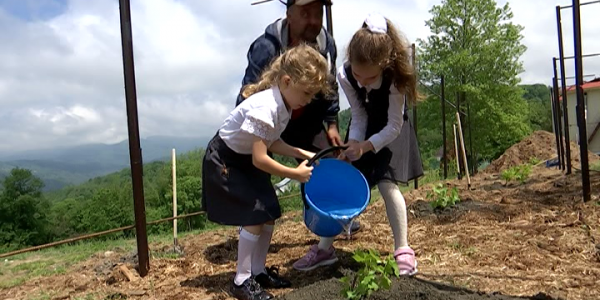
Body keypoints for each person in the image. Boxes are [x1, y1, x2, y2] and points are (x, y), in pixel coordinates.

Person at [293, 13, 424, 275]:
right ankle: (325, 249)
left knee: (388, 184)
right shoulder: (344, 75)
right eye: (358, 75)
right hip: (366, 128)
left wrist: (366, 146)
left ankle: (403, 250)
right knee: (346, 180)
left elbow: (394, 125)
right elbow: (360, 113)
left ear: (384, 66)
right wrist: (354, 144)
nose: (362, 82)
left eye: (369, 78)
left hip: (392, 130)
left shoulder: (395, 79)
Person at [202, 44, 331, 300]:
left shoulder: (285, 104)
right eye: (306, 92)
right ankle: (241, 280)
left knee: (269, 212)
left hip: (246, 158)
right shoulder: (266, 108)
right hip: (228, 159)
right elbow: (261, 158)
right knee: (254, 213)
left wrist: (300, 153)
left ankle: (257, 271)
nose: (307, 100)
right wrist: (295, 174)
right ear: (286, 80)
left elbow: (270, 141)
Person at [237, 0, 361, 250]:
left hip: (308, 119)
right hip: (271, 120)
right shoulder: (267, 47)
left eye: (318, 14)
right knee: (257, 172)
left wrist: (332, 124)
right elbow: (248, 94)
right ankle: (252, 225)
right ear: (289, 14)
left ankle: (330, 218)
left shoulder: (327, 45)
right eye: (305, 13)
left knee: (325, 162)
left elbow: (330, 89)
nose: (313, 21)